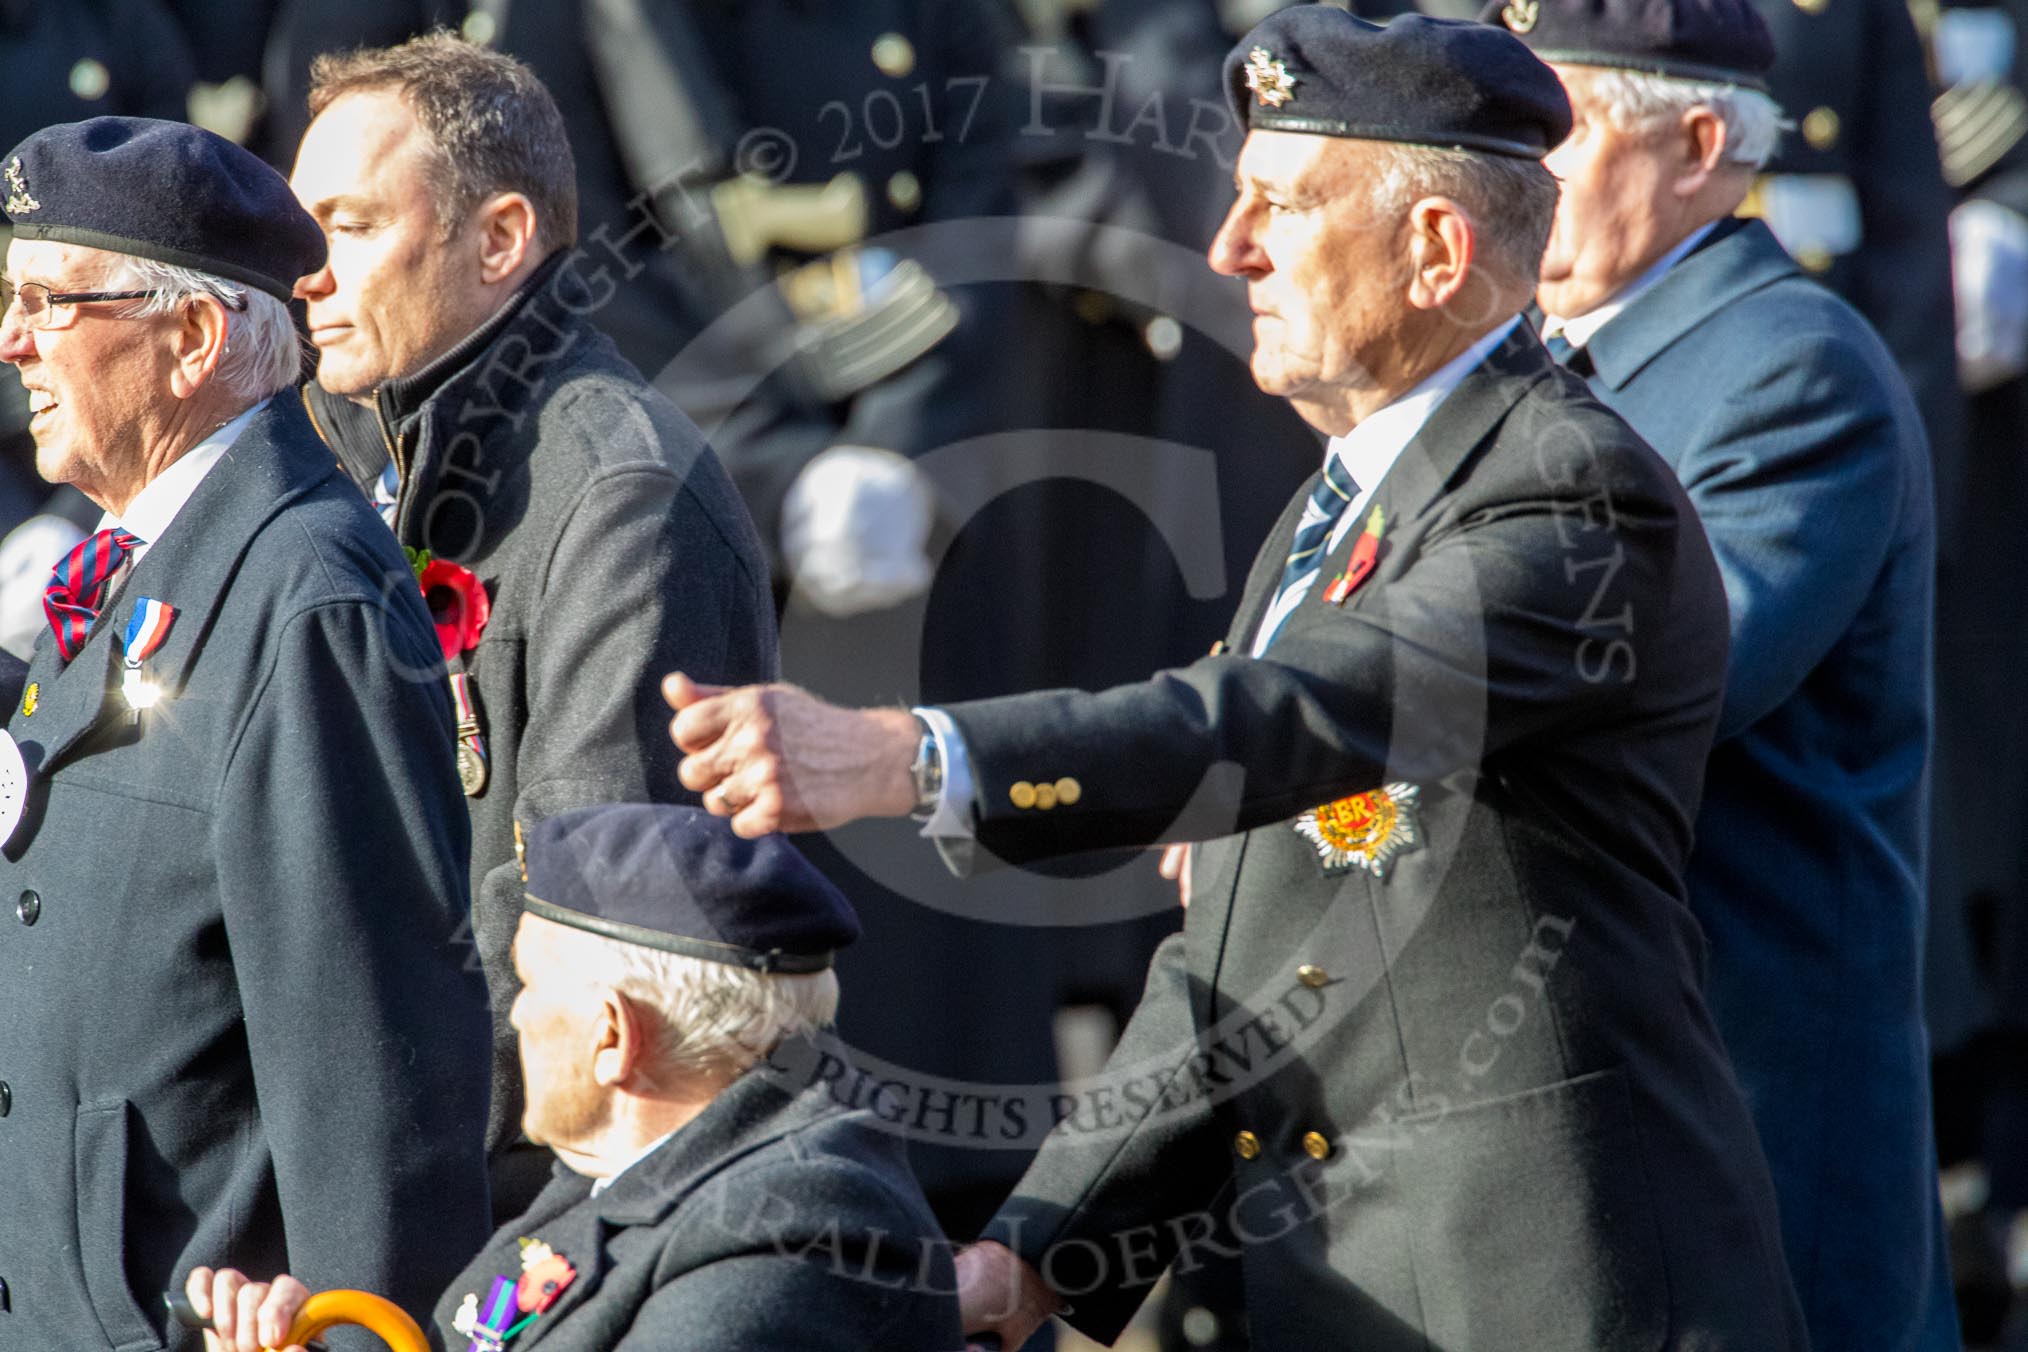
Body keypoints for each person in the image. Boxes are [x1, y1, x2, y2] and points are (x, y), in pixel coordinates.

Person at [666, 9, 1809, 1348]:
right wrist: (1039, 1255)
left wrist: (911, 758)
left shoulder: (1566, 493)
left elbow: (1278, 720)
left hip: (1546, 1289)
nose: (1228, 250)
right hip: (1341, 1289)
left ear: (1436, 251)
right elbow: (1246, 948)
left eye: (1282, 205)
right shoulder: (1342, 510)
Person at [1494, 0, 1957, 1346]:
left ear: (1697, 143)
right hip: (1607, 1094)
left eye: (1557, 128)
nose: (1516, 171)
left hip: (1754, 1111)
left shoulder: (1787, 371)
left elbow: (1638, 691)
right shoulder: (1550, 364)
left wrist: (1326, 740)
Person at [0, 117, 490, 1344]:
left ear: (194, 338)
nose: (13, 342)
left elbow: (368, 1062)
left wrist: (364, 1329)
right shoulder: (133, 555)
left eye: (50, 303)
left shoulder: (305, 596)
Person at [286, 33, 779, 1215]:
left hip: (495, 1188)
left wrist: (367, 1146)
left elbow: (587, 936)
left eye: (349, 228)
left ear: (500, 239)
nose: (305, 272)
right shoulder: (335, 441)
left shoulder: (623, 497)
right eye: (302, 233)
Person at [186, 803, 964, 1352]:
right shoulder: (617, 1179)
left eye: (528, 985)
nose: (514, 1017)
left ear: (612, 1035)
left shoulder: (795, 1235)